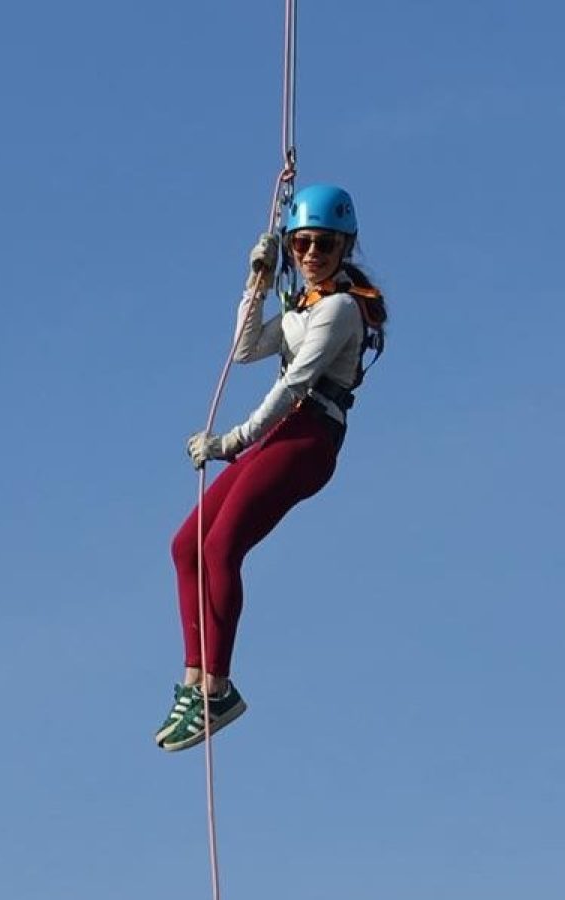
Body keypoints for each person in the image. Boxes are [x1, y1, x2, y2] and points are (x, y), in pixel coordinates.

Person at [156, 184, 387, 752]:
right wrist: (255, 283)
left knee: (220, 547)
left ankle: (217, 687)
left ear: (344, 248)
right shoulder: (300, 308)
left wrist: (229, 442)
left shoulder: (339, 310)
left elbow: (293, 386)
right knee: (187, 545)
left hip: (309, 435)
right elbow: (244, 349)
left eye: (325, 245)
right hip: (284, 432)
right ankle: (194, 681)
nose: (312, 254)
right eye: (303, 243)